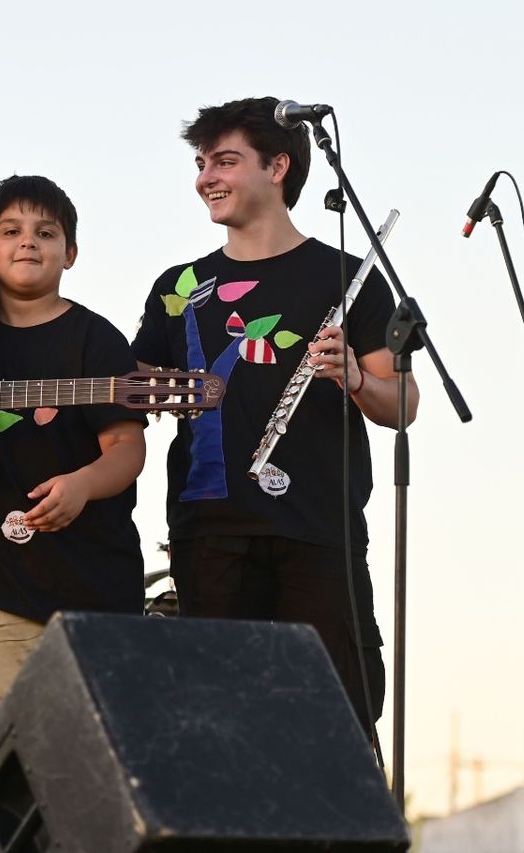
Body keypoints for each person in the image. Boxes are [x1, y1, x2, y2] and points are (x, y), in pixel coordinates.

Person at [130, 96, 418, 730]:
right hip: (210, 532)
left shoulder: (349, 275)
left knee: (335, 723)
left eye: (225, 160)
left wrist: (354, 378)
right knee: (225, 731)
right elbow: (137, 383)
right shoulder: (179, 287)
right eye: (202, 162)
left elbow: (404, 405)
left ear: (279, 166)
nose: (206, 177)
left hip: (318, 530)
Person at [0, 175, 147, 724]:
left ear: (71, 253)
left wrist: (83, 484)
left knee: (100, 749)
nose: (27, 242)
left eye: (46, 232)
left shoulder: (95, 338)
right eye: (10, 231)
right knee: (15, 748)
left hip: (95, 580)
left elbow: (127, 447)